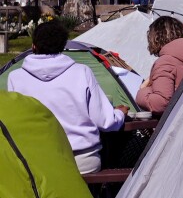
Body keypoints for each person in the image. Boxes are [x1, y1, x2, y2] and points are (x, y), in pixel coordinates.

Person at [7, 20, 128, 173]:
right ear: (64, 46)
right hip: (82, 160)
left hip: (36, 163)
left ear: (33, 46)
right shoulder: (82, 72)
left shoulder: (15, 78)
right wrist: (119, 114)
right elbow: (104, 121)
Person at [136, 16, 183, 114]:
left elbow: (161, 104)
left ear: (155, 38)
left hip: (181, 123)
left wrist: (143, 91)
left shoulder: (165, 62)